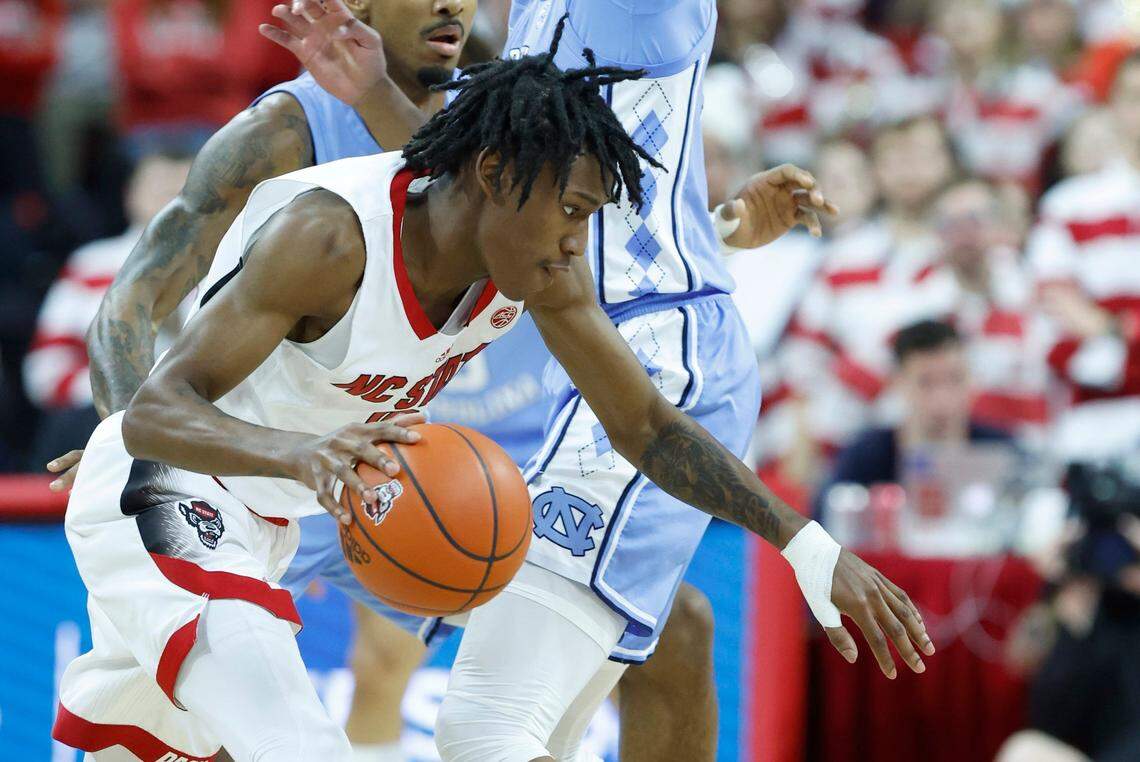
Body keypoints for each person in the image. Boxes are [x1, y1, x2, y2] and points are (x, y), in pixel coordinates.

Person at [54, 35, 930, 762]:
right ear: (500, 174)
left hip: (279, 521)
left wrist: (804, 545)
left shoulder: (527, 267)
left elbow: (648, 426)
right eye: (574, 211)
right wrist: (301, 457)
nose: (576, 243)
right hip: (170, 494)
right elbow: (153, 416)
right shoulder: (328, 236)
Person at [23, 151, 192, 470]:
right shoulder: (89, 265)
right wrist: (120, 395)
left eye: (183, 189)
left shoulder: (227, 266)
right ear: (130, 194)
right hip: (94, 419)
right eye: (158, 187)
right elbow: (43, 369)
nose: (170, 197)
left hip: (191, 421)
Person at [815, 319, 1013, 508]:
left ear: (972, 379)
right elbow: (824, 533)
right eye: (925, 382)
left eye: (955, 378)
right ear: (899, 383)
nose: (942, 397)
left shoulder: (1004, 451)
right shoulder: (862, 460)